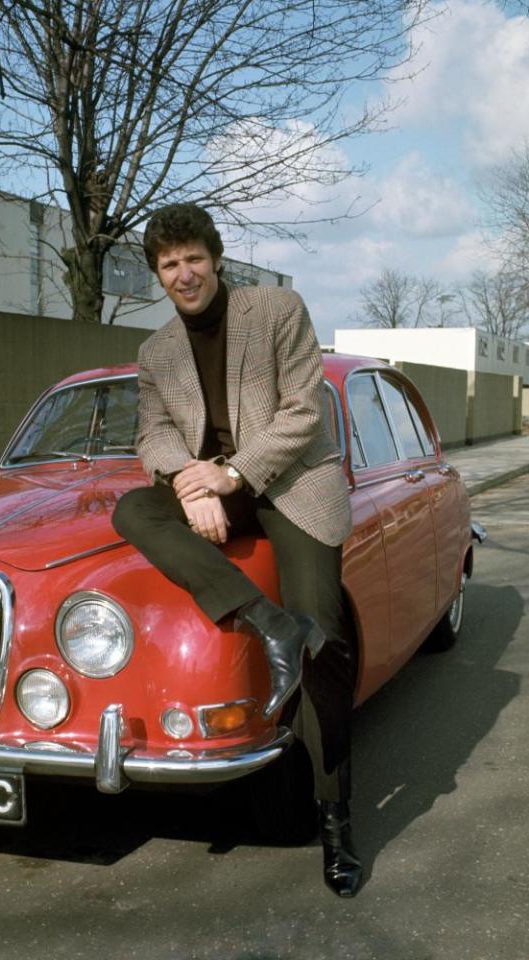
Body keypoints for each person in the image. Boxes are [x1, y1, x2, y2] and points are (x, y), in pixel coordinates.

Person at [111, 203, 362, 897]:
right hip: (214, 488)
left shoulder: (276, 309)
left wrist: (229, 475)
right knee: (133, 507)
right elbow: (153, 436)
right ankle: (265, 622)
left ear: (214, 258)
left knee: (324, 636)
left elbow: (303, 412)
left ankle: (335, 816)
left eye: (193, 258)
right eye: (168, 265)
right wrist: (188, 485)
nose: (183, 273)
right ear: (156, 276)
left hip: (292, 481)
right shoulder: (156, 351)